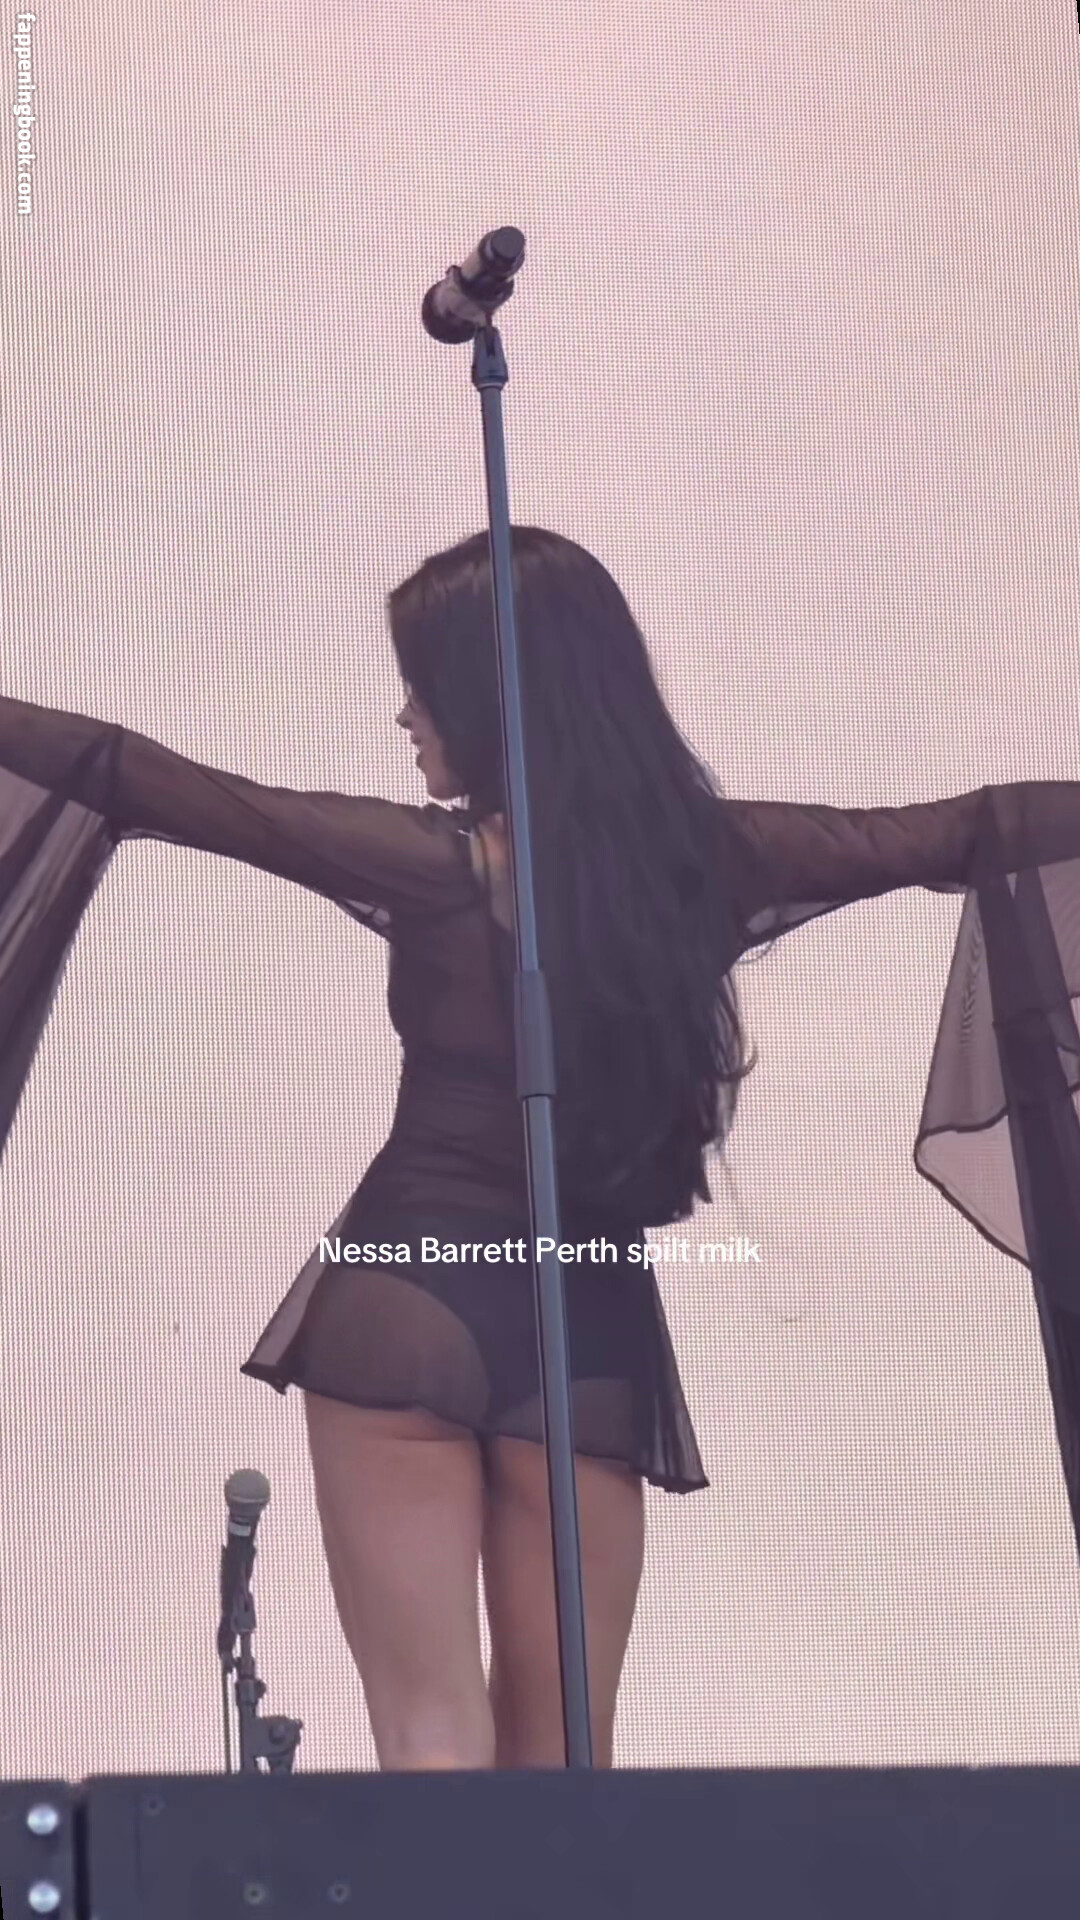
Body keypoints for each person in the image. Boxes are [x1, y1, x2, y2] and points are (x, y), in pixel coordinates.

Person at [3, 523, 1080, 1773]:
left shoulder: (430, 861)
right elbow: (980, 828)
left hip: (406, 1295)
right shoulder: (709, 864)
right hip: (588, 1326)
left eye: (423, 684)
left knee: (430, 1740)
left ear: (489, 694)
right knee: (567, 1770)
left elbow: (130, 775)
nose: (405, 716)